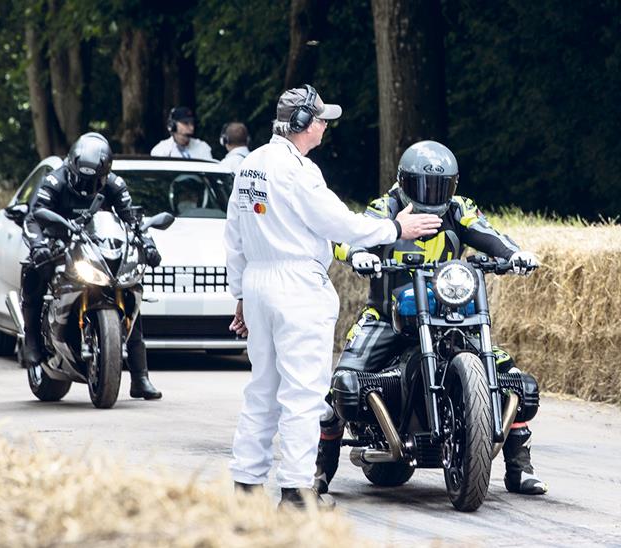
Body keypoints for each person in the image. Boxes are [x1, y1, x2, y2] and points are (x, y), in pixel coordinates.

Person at [223, 85, 443, 508]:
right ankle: (296, 494)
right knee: (303, 395)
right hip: (296, 286)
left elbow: (233, 235)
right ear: (303, 124)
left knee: (262, 390)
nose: (325, 126)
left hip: (258, 282)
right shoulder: (299, 172)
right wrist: (396, 230)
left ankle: (245, 488)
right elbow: (339, 224)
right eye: (321, 119)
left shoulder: (251, 164)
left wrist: (240, 296)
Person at [313, 140, 548, 496]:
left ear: (452, 185)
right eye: (422, 185)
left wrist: (514, 254)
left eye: (439, 186)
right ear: (404, 181)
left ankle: (519, 467)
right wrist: (360, 254)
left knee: (513, 377)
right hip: (388, 315)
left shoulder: (459, 208)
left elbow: (487, 233)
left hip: (448, 312)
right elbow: (352, 235)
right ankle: (320, 470)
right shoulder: (386, 206)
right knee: (342, 385)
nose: (431, 194)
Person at [23, 132, 163, 399]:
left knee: (129, 287)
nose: (87, 186)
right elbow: (35, 215)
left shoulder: (115, 184)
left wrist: (149, 245)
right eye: (81, 179)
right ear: (72, 167)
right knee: (33, 269)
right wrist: (39, 245)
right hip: (59, 237)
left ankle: (140, 377)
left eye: (94, 180)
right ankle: (32, 341)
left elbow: (131, 221)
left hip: (97, 243)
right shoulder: (55, 180)